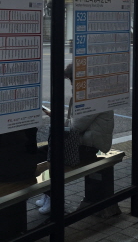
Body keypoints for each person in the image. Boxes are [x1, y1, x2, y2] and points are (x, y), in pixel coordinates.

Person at [37, 63, 115, 214]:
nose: (72, 84)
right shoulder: (90, 92)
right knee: (44, 152)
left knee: (49, 156)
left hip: (90, 146)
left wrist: (56, 117)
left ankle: (53, 197)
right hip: (82, 142)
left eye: (72, 80)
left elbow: (75, 127)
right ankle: (48, 194)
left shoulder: (93, 96)